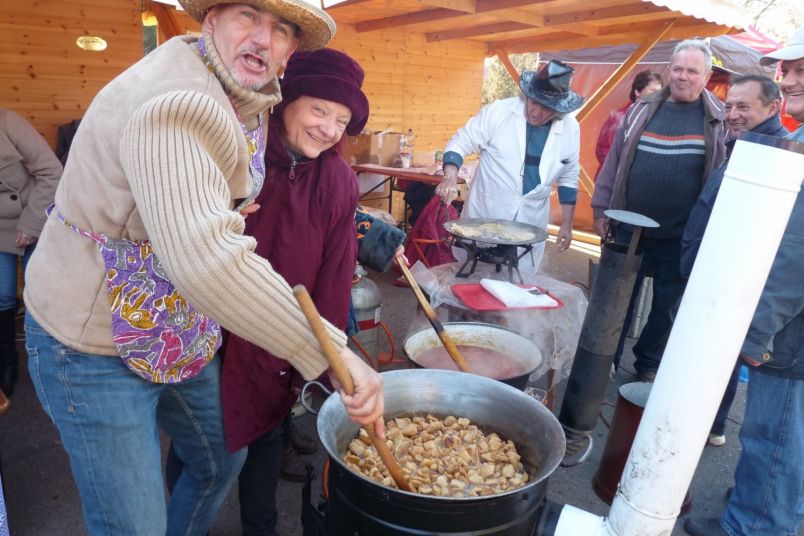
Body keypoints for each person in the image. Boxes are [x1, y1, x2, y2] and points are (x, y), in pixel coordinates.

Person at [21, 2, 384, 535]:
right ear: (209, 20)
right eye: (247, 16)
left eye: (280, 28)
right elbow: (208, 261)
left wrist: (230, 201)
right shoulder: (177, 100)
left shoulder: (248, 96)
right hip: (92, 341)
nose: (263, 40)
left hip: (173, 328)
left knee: (219, 457)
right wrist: (334, 355)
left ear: (290, 50)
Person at [218, 48, 404, 536]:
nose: (329, 128)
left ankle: (259, 528)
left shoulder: (338, 180)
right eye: (319, 109)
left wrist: (326, 357)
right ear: (286, 101)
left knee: (268, 426)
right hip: (221, 328)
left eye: (341, 119)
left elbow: (334, 277)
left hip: (289, 333)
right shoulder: (242, 156)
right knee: (213, 448)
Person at [684, 25, 804, 536]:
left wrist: (757, 329)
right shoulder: (798, 139)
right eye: (790, 69)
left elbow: (796, 252)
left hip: (790, 330)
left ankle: (755, 524)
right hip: (784, 316)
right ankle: (771, 499)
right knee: (785, 433)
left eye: (802, 71)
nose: (792, 79)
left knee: (773, 427)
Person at [591, 39, 727, 381]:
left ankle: (647, 364)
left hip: (681, 233)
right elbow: (614, 162)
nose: (683, 77)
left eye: (692, 71)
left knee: (666, 305)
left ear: (707, 75)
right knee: (618, 300)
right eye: (677, 69)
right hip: (627, 227)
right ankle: (607, 356)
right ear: (669, 70)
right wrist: (600, 208)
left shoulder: (718, 118)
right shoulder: (641, 109)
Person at [680, 74, 787, 447]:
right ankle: (705, 423)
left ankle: (702, 427)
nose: (733, 114)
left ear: (774, 107)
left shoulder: (773, 152)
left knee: (715, 360)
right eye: (729, 106)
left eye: (744, 106)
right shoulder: (744, 142)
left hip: (725, 283)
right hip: (708, 272)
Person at [435, 60, 585, 272]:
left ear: (559, 110)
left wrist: (567, 224)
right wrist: (450, 176)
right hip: (486, 213)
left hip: (530, 220)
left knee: (517, 288)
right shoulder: (499, 112)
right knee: (473, 281)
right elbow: (461, 141)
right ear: (527, 95)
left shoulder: (570, 129)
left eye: (546, 108)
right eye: (534, 102)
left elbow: (569, 176)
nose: (537, 112)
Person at [0, 109, 61, 398]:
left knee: (39, 295)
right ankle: (6, 364)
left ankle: (50, 365)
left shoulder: (9, 122)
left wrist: (31, 223)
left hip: (31, 214)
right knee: (2, 294)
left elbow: (52, 173)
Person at [594, 70, 663, 174]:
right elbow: (604, 152)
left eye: (660, 92)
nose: (658, 95)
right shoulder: (619, 117)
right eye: (653, 91)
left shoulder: (660, 117)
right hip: (614, 179)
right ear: (637, 92)